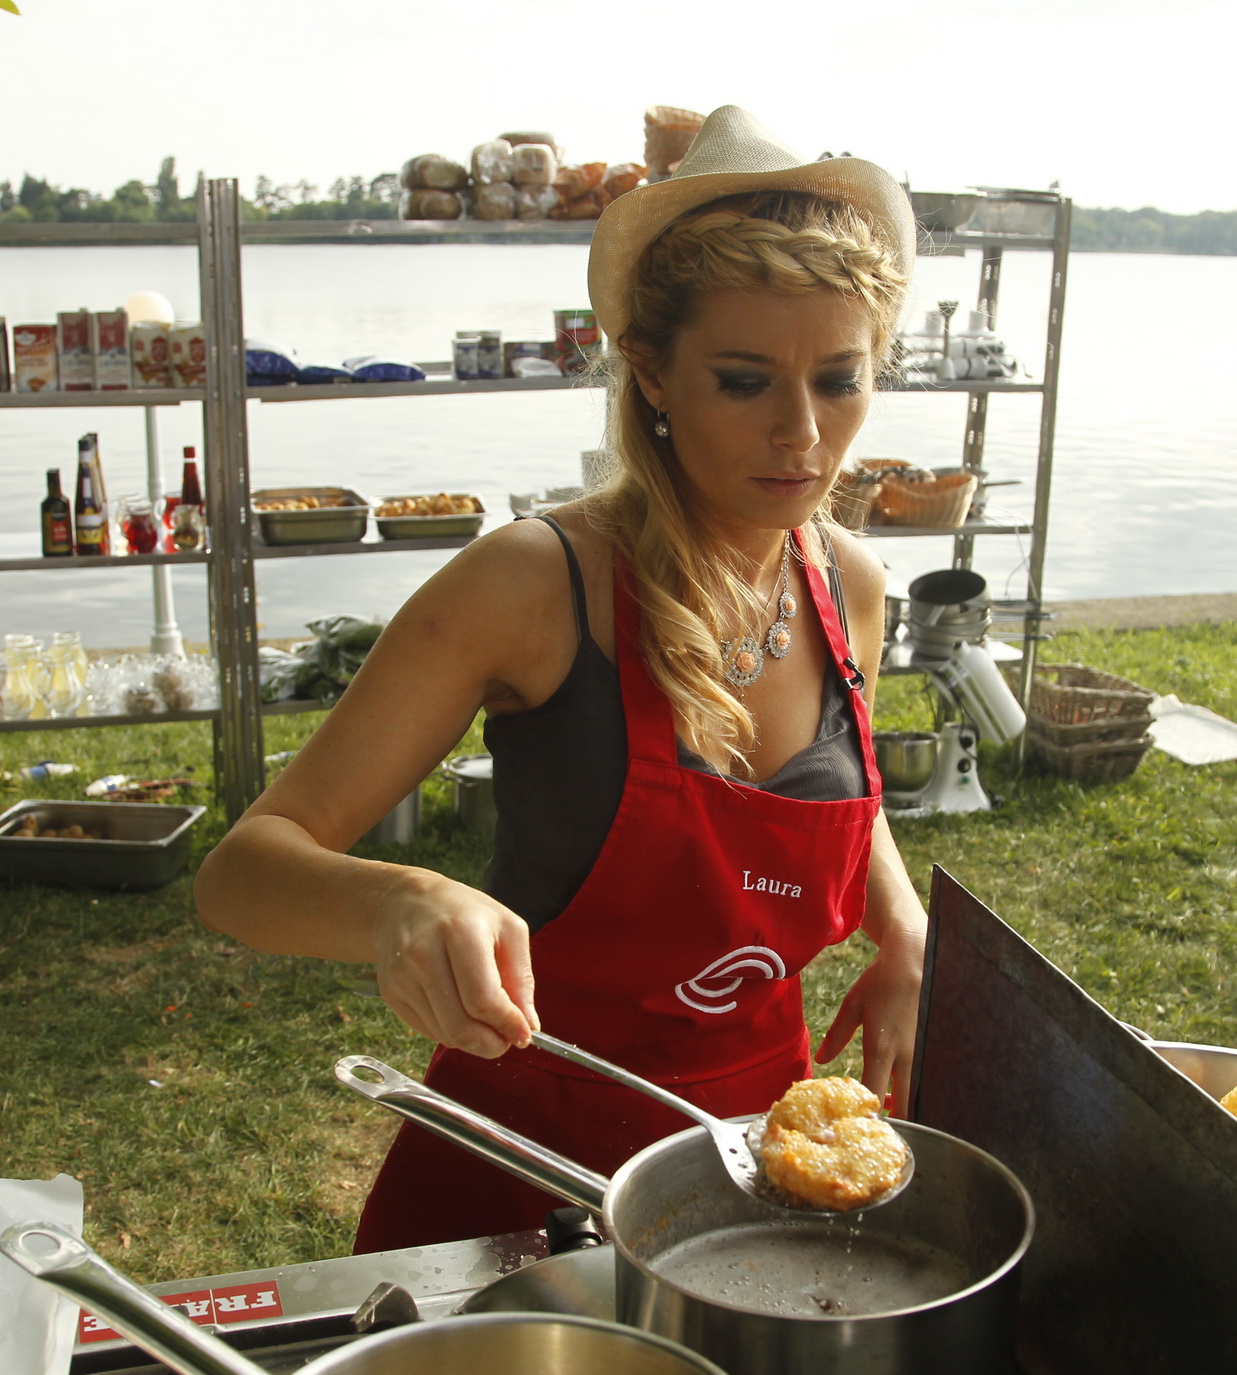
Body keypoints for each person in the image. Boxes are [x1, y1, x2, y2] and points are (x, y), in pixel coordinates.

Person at [195, 107, 927, 1249]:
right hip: (520, 1173)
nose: (801, 434)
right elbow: (240, 873)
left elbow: (839, 792)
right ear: (650, 371)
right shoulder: (535, 584)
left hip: (759, 1159)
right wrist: (400, 899)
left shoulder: (850, 587)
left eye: (839, 380)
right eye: (743, 381)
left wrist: (903, 927)